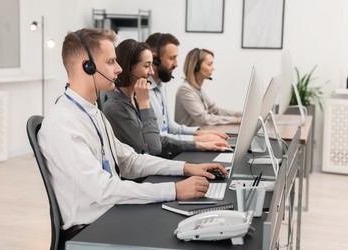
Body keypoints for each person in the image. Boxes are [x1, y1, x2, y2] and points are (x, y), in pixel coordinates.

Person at [37, 28, 227, 230]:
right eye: (111, 62)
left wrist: (186, 168)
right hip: (90, 228)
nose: (119, 69)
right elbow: (104, 190)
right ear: (88, 67)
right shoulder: (63, 122)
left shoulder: (93, 113)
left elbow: (130, 161)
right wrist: (174, 190)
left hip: (111, 212)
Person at [101, 39, 230, 157]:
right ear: (127, 68)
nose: (151, 72)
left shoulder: (135, 98)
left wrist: (199, 144)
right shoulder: (115, 108)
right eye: (147, 66)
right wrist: (145, 104)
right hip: (140, 177)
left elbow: (159, 138)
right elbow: (153, 147)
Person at [145, 33, 228, 142]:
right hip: (161, 152)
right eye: (171, 58)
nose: (176, 64)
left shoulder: (161, 85)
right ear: (154, 58)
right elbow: (158, 138)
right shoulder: (143, 91)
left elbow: (169, 125)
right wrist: (196, 139)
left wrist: (199, 133)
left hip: (169, 147)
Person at [174, 48, 242, 126]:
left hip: (201, 134)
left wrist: (241, 114)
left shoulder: (198, 90)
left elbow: (215, 110)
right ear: (196, 67)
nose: (213, 68)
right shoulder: (185, 90)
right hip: (189, 137)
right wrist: (236, 120)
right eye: (209, 64)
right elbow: (204, 118)